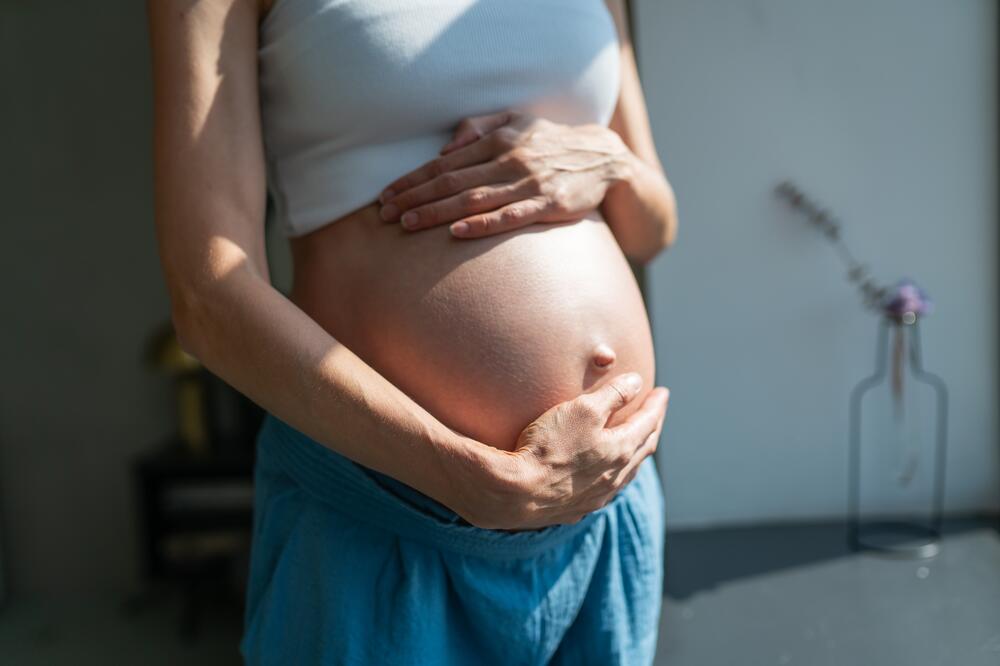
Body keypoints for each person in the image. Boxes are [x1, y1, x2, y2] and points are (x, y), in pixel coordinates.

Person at [146, 0, 678, 663]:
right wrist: (464, 476)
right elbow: (206, 297)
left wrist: (613, 161)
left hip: (602, 511)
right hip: (386, 514)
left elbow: (653, 229)